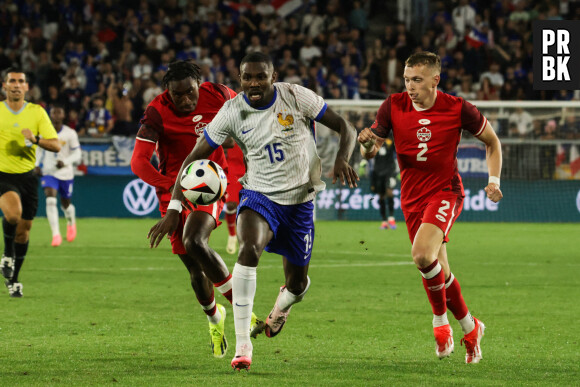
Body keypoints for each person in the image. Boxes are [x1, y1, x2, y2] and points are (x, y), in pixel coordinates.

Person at [148, 52, 359, 371]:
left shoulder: (295, 96)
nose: (254, 83)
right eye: (248, 77)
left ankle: (282, 306)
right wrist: (176, 206)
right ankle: (242, 345)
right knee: (248, 250)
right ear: (241, 80)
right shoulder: (232, 110)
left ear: (273, 77)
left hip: (301, 200)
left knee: (298, 284)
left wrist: (344, 157)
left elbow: (346, 127)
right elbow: (192, 158)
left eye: (261, 76)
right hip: (259, 195)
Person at [358, 52, 503, 364]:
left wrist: (494, 180)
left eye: (418, 80)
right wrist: (367, 143)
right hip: (411, 198)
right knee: (439, 271)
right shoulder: (393, 105)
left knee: (422, 255)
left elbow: (492, 142)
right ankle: (470, 326)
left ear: (436, 80)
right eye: (408, 79)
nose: (411, 86)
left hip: (444, 192)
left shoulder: (458, 108)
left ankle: (440, 324)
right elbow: (371, 152)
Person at [130, 60, 260, 359]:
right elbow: (139, 162)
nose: (186, 99)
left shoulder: (220, 94)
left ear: (199, 85)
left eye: (191, 92)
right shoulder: (156, 112)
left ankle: (245, 311)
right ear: (168, 92)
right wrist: (172, 186)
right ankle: (215, 318)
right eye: (178, 95)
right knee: (194, 269)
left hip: (211, 183)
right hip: (171, 190)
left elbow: (248, 116)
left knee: (195, 240)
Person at [1, 68, 61, 298]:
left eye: (21, 81)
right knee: (13, 215)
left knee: (23, 233)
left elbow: (56, 145)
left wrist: (35, 139)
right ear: (5, 85)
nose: (16, 85)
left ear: (27, 87)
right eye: (12, 81)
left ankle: (14, 280)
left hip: (27, 177)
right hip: (2, 175)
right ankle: (7, 255)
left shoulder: (37, 113)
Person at [35, 105, 82, 247]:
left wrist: (66, 162)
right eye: (53, 112)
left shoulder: (70, 133)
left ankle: (70, 222)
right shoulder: (44, 132)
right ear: (50, 115)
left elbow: (77, 153)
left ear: (63, 115)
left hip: (65, 173)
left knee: (66, 204)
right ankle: (56, 235)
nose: (56, 115)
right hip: (49, 172)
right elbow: (38, 149)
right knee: (50, 199)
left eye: (59, 112)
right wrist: (37, 164)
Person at [370, 135, 398, 230]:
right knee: (381, 196)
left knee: (389, 192)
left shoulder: (390, 142)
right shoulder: (375, 144)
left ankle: (391, 218)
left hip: (389, 172)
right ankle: (384, 221)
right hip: (378, 173)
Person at [223, 140, 245, 255]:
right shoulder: (232, 122)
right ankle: (232, 236)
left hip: (252, 164)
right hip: (233, 166)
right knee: (231, 204)